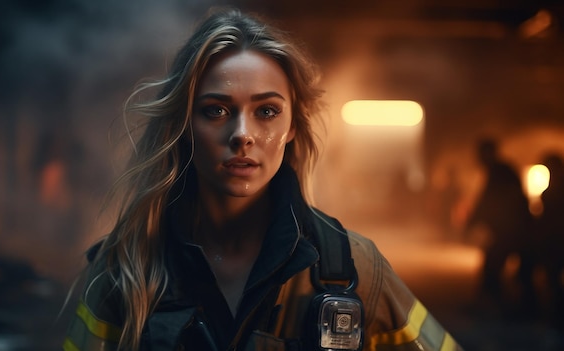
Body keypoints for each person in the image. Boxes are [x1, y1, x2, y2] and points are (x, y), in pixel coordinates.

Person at [63, 8, 463, 351]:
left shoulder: (356, 270)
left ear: (292, 127)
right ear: (184, 124)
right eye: (216, 110)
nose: (242, 134)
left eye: (267, 111)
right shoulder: (125, 268)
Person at [464, 138, 536, 316]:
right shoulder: (501, 171)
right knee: (501, 268)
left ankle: (512, 309)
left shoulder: (500, 173)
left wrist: (472, 221)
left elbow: (489, 202)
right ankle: (516, 308)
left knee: (495, 268)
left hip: (511, 229)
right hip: (512, 229)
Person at [537, 152, 564, 328]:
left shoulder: (554, 190)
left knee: (553, 278)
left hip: (556, 240)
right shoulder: (552, 189)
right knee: (553, 278)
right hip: (553, 241)